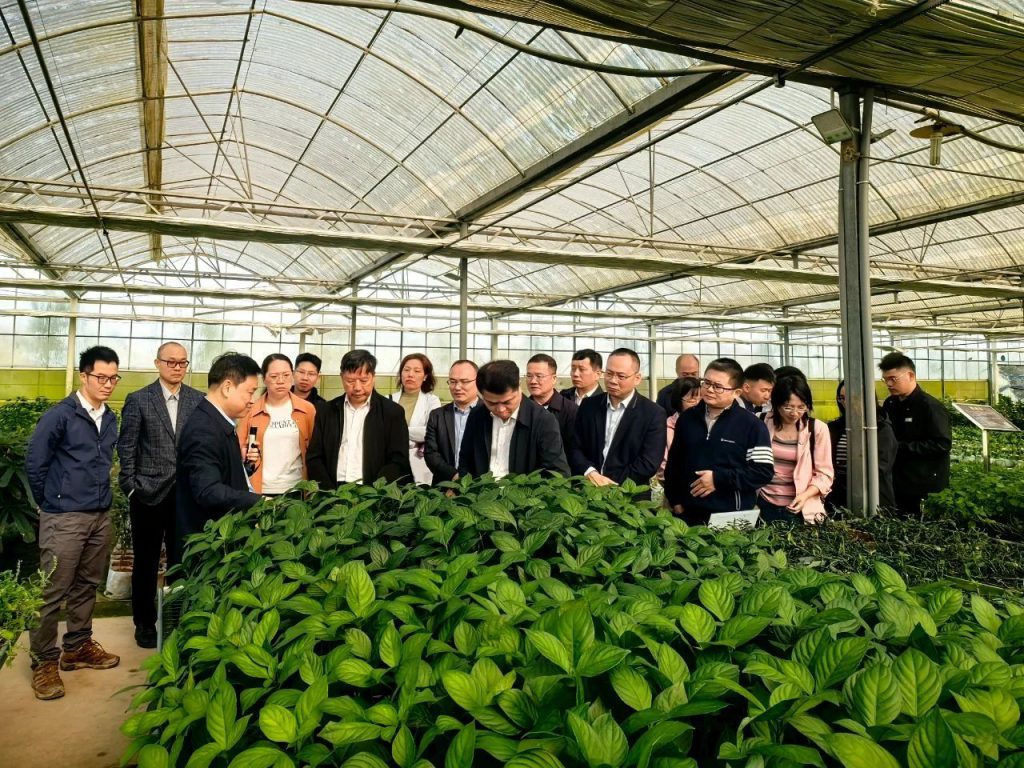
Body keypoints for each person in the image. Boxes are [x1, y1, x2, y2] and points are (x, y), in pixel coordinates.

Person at [25, 346, 122, 700]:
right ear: (84, 376)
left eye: (113, 378)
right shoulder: (60, 416)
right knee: (52, 591)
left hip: (99, 515)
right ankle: (43, 660)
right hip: (64, 516)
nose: (107, 384)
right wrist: (51, 503)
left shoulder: (109, 418)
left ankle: (77, 647)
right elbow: (35, 463)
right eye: (101, 377)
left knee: (86, 584)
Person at [117, 342, 203, 649]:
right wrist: (131, 486)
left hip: (185, 496)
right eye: (171, 362)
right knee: (146, 561)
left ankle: (176, 618)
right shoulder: (139, 399)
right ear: (157, 363)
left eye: (182, 363)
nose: (177, 367)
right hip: (148, 494)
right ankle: (144, 623)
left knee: (182, 560)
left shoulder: (198, 400)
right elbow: (126, 446)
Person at [663, 358, 774, 526]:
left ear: (736, 392)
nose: (709, 390)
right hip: (688, 514)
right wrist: (675, 500)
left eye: (718, 386)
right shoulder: (687, 419)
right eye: (706, 383)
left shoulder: (752, 425)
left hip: (731, 516)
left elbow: (762, 471)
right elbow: (674, 464)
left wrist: (718, 479)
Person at [175, 353, 262, 560]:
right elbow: (208, 490)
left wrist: (244, 468)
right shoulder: (204, 429)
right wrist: (259, 501)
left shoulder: (218, 421)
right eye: (250, 392)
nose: (252, 400)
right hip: (208, 547)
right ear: (227, 387)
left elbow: (216, 472)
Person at [306, 349, 411, 488]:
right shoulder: (326, 411)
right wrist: (328, 491)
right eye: (350, 381)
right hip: (333, 489)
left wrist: (376, 490)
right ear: (341, 377)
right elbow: (314, 457)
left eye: (363, 380)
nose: (357, 387)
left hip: (373, 490)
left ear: (373, 377)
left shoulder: (392, 412)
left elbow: (398, 459)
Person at [569, 348, 667, 492]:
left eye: (621, 376)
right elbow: (575, 447)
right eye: (609, 374)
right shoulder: (589, 405)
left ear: (637, 378)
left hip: (628, 495)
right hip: (588, 489)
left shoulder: (653, 413)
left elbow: (648, 462)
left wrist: (610, 485)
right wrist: (590, 472)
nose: (613, 381)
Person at [458, 360, 569, 479]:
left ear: (519, 387)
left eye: (507, 402)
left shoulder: (543, 420)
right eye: (491, 403)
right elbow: (465, 461)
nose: (500, 409)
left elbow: (557, 472)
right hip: (482, 489)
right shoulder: (477, 415)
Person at [879, 352, 952, 516]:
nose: (889, 384)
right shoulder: (891, 403)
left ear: (910, 376)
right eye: (885, 380)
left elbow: (942, 444)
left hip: (922, 482)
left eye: (893, 379)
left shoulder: (930, 407)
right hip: (897, 479)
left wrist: (899, 447)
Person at [757, 376, 834, 524]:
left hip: (801, 507)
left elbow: (824, 475)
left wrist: (805, 496)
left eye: (801, 407)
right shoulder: (760, 421)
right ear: (776, 404)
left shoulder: (817, 429)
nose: (794, 413)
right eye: (788, 407)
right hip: (763, 503)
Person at [236, 354, 316, 495]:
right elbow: (238, 448)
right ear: (264, 379)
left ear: (292, 376)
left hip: (296, 488)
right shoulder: (250, 410)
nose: (280, 381)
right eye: (274, 376)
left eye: (286, 375)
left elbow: (314, 451)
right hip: (260, 488)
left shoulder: (307, 409)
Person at [827, 380, 897, 513]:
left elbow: (881, 466)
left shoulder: (880, 428)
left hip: (872, 497)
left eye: (851, 397)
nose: (846, 402)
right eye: (842, 398)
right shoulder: (835, 427)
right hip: (839, 497)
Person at [424, 360, 480, 485]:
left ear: (478, 382)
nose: (457, 387)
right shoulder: (437, 415)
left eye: (464, 381)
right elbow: (431, 453)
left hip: (479, 486)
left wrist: (468, 481)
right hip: (444, 486)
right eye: (453, 381)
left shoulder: (489, 414)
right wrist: (454, 476)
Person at [390, 353, 442, 484]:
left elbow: (430, 432)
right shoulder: (387, 400)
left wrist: (397, 431)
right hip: (391, 462)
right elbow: (381, 433)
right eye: (406, 370)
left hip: (419, 464)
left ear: (425, 376)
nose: (410, 374)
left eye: (417, 371)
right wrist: (414, 438)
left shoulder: (432, 401)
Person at [526, 353, 578, 453]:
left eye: (539, 376)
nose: (533, 381)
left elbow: (573, 450)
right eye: (529, 376)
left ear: (554, 379)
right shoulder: (520, 408)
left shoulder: (571, 410)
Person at [658, 376, 702, 481]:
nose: (698, 403)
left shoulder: (709, 423)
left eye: (701, 399)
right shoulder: (668, 427)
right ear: (678, 401)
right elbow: (663, 465)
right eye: (692, 400)